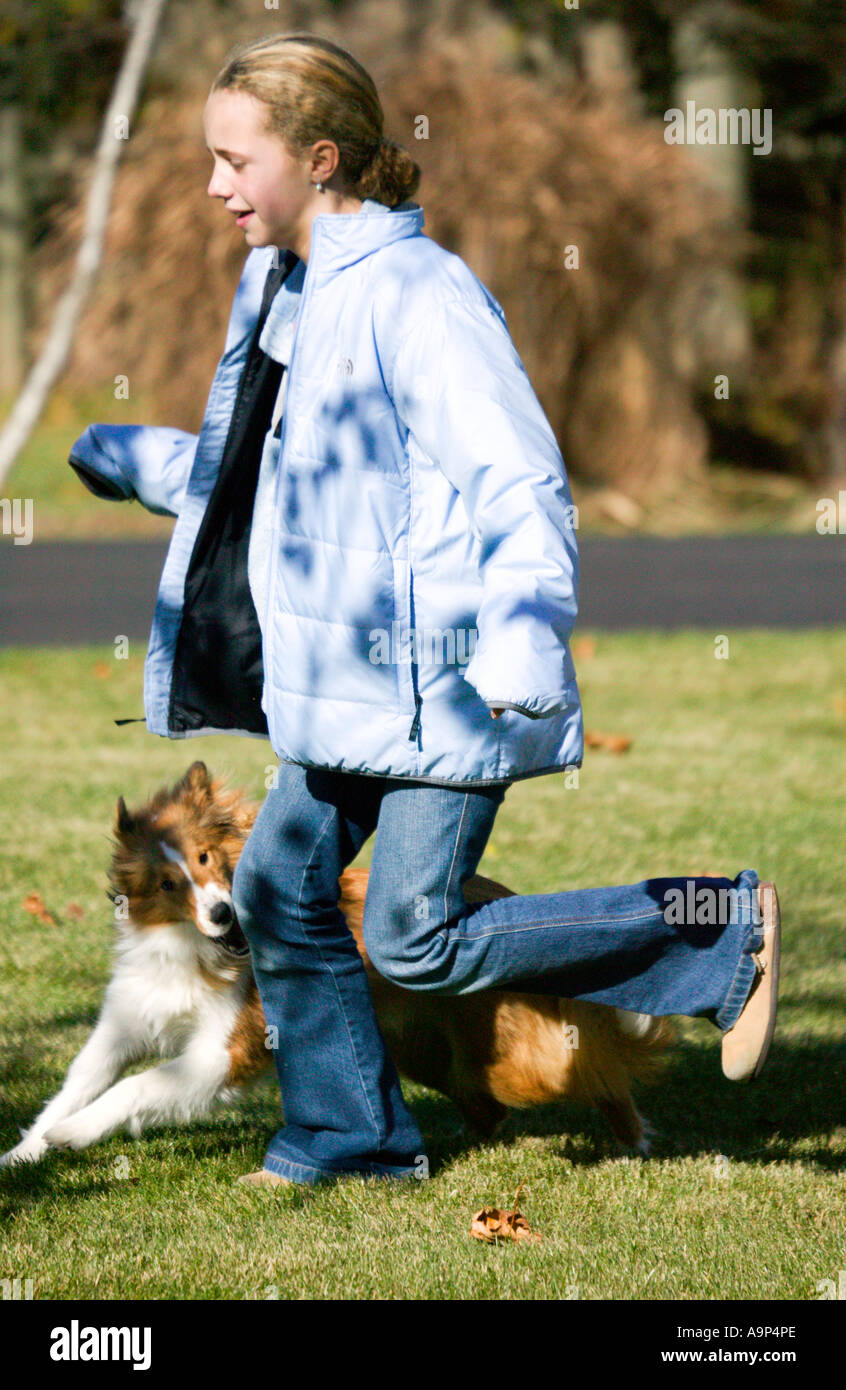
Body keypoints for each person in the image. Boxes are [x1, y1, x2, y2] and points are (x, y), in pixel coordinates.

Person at [69, 32, 780, 1188]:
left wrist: (517, 644)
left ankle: (710, 928)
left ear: (322, 157)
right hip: (341, 699)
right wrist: (146, 462)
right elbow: (286, 473)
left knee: (413, 937)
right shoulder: (289, 287)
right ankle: (351, 1137)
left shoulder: (420, 294)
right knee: (276, 891)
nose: (213, 186)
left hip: (439, 692)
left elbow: (519, 476)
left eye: (233, 160)